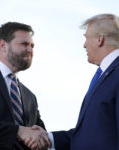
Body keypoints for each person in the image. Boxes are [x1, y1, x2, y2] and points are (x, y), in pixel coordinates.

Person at [25, 13, 119, 150]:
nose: (84, 45)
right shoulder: (105, 74)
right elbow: (91, 134)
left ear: (100, 40)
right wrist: (48, 138)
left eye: (86, 38)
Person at [0, 22, 50, 150]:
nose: (30, 50)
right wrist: (18, 131)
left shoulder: (30, 97)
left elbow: (40, 137)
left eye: (32, 46)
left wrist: (40, 136)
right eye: (24, 44)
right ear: (3, 45)